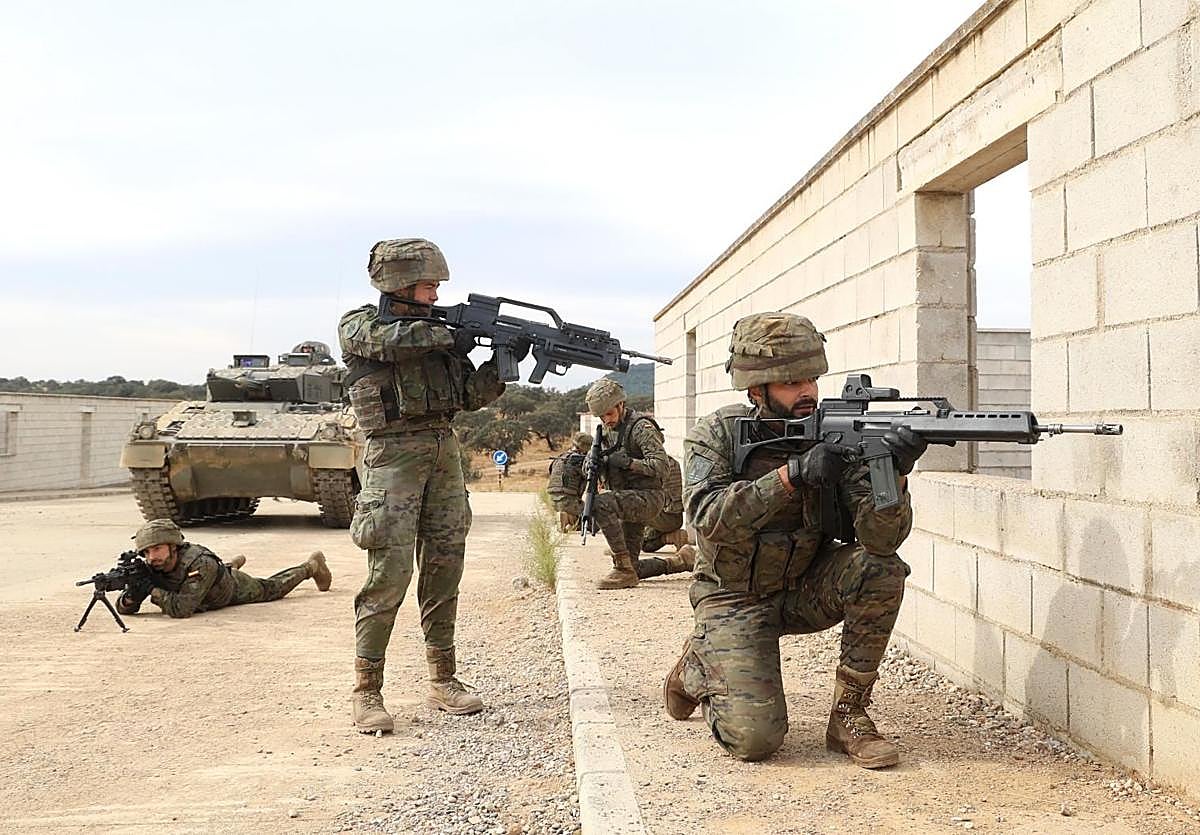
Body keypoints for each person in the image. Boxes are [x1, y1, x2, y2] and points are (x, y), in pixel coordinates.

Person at [661, 312, 928, 768]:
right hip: (733, 598)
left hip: (804, 588)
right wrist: (792, 476)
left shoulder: (839, 434)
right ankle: (698, 661)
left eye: (811, 379)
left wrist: (894, 475)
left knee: (880, 569)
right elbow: (707, 520)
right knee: (755, 741)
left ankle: (849, 714)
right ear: (756, 389)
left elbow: (881, 541)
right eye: (790, 382)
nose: (806, 391)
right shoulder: (719, 434)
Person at [339, 237, 509, 734]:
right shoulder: (361, 325)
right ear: (399, 286)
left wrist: (501, 365)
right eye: (428, 286)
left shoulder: (442, 336)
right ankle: (367, 690)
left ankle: (444, 678)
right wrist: (451, 336)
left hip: (443, 451)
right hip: (391, 455)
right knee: (388, 574)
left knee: (444, 566)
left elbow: (469, 394)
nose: (435, 296)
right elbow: (389, 342)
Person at [547, 428, 695, 581]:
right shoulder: (651, 461)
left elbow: (662, 504)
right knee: (643, 548)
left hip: (665, 516)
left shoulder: (662, 464)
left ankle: (626, 553)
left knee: (616, 507)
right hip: (660, 518)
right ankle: (678, 554)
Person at [582, 379, 684, 590]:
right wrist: (592, 464)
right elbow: (591, 464)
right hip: (627, 499)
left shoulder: (641, 428)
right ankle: (682, 561)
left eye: (609, 414)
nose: (606, 420)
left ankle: (622, 569)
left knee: (601, 503)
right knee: (633, 566)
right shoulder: (605, 432)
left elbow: (661, 466)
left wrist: (629, 463)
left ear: (621, 405)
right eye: (601, 416)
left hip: (648, 498)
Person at [116, 518, 331, 618]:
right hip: (206, 581)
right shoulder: (152, 564)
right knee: (216, 573)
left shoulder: (199, 563)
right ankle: (231, 566)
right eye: (146, 552)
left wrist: (152, 590)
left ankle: (311, 567)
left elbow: (182, 609)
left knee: (270, 589)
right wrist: (133, 594)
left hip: (227, 590)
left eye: (157, 549)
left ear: (173, 546)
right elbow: (125, 608)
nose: (151, 557)